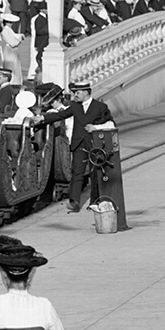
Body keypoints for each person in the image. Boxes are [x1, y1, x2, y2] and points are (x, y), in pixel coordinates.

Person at [64, 82, 126, 226]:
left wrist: (95, 128)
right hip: (79, 144)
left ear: (86, 92)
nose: (74, 95)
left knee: (95, 173)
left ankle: (95, 200)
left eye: (77, 92)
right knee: (77, 172)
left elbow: (111, 124)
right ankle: (74, 201)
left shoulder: (100, 107)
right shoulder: (75, 106)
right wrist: (42, 119)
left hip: (94, 146)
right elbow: (61, 115)